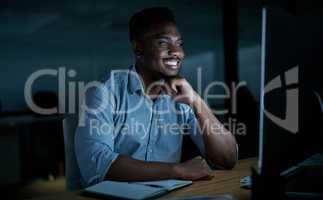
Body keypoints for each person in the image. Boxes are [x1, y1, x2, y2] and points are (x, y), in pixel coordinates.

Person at [75, 7, 238, 187]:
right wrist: (178, 170)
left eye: (180, 43)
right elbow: (96, 164)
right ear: (138, 48)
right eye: (163, 43)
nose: (177, 52)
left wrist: (197, 102)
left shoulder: (182, 96)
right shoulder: (105, 91)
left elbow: (227, 159)